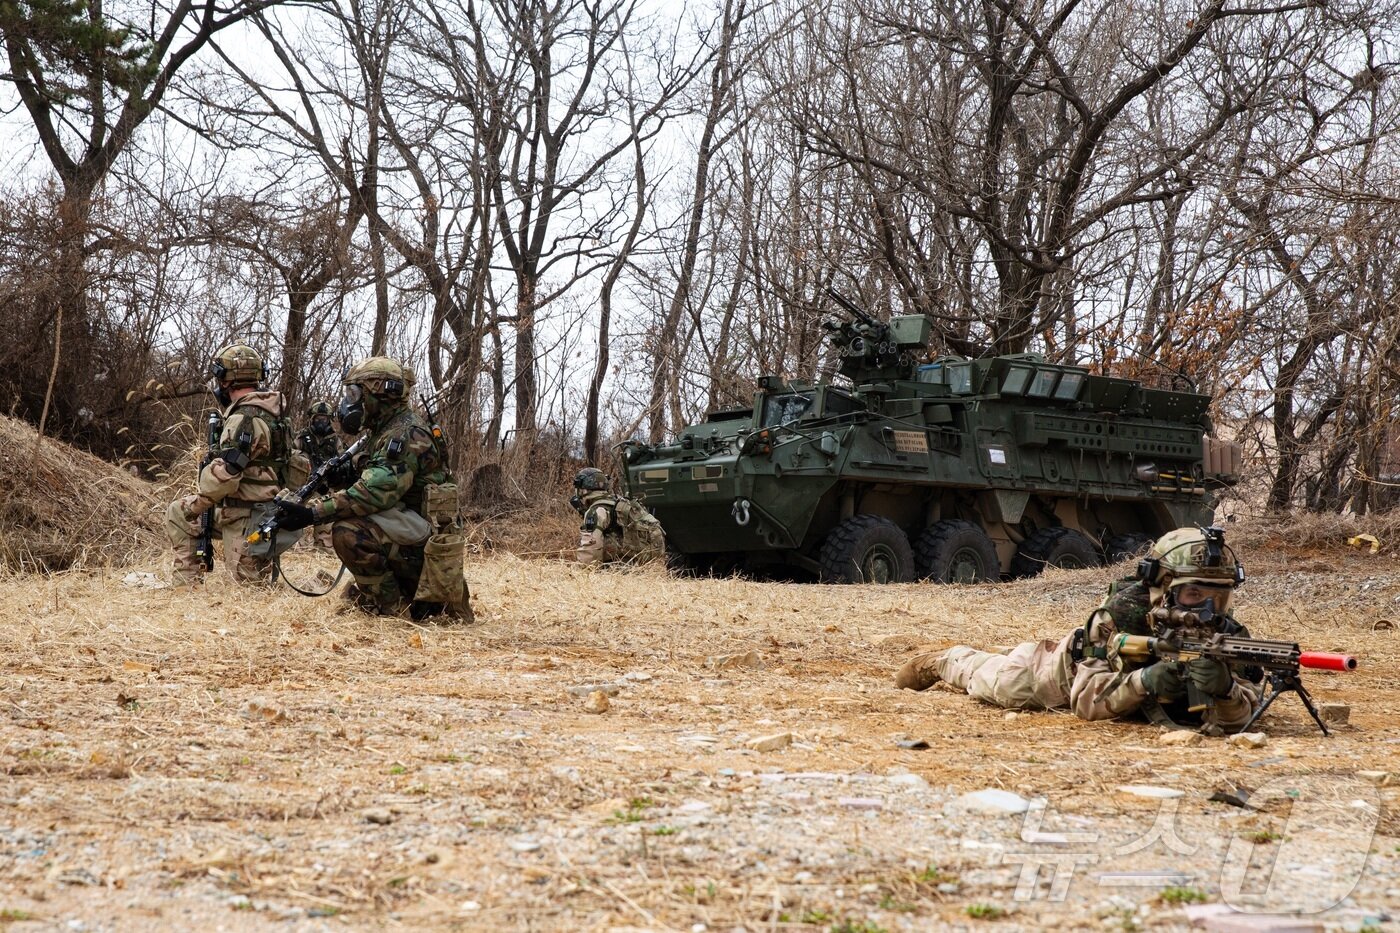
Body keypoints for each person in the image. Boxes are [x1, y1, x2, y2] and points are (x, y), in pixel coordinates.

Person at [894, 527, 1263, 734]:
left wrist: (1226, 690)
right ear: (1163, 587)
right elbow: (1085, 701)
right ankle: (948, 660)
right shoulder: (1122, 612)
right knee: (1000, 684)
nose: (1206, 609)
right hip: (1064, 673)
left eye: (1219, 596)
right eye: (1194, 593)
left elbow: (1245, 717)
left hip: (1118, 685)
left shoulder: (1228, 636)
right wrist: (1145, 681)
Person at [269, 357, 471, 621]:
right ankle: (399, 597)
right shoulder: (385, 431)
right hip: (416, 536)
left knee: (348, 530)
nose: (348, 403)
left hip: (426, 549)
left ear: (381, 393)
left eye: (355, 393)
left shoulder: (405, 434)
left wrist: (311, 515)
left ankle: (395, 611)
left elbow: (372, 494)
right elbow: (379, 475)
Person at [164, 344, 294, 586]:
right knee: (255, 586)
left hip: (242, 515)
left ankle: (185, 586)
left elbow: (227, 477)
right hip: (268, 513)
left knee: (180, 511)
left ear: (225, 381)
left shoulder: (242, 418)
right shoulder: (276, 416)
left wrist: (202, 495)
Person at [570, 467, 665, 566]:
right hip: (632, 564)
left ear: (582, 490)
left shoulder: (596, 511)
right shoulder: (617, 502)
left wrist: (581, 573)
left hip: (613, 568)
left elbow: (591, 549)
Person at [291, 400, 347, 547]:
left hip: (325, 488)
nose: (321, 422)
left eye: (324, 419)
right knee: (296, 522)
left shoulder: (335, 440)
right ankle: (299, 546)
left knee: (325, 524)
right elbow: (290, 456)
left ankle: (323, 547)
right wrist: (304, 459)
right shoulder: (302, 437)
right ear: (312, 418)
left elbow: (343, 460)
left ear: (329, 420)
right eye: (318, 418)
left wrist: (335, 472)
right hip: (303, 485)